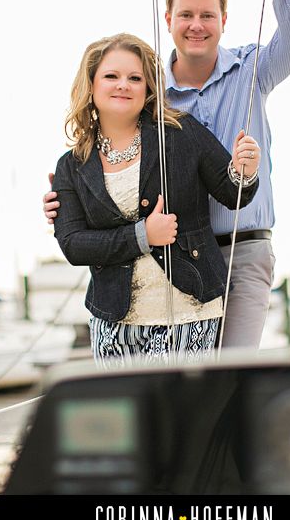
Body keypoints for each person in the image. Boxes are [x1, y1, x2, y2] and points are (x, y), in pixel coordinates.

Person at [45, 0, 290, 349]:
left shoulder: (253, 71)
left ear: (224, 19)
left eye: (208, 14)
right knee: (188, 388)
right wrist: (70, 201)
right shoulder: (147, 93)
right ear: (168, 19)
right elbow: (109, 168)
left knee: (232, 374)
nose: (197, 24)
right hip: (172, 257)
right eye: (186, 14)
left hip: (243, 250)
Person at [51, 33, 261, 367]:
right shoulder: (71, 166)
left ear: (149, 89)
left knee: (177, 418)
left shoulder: (182, 132)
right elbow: (74, 244)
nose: (124, 85)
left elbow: (233, 193)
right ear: (91, 86)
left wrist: (244, 171)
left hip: (189, 311)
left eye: (135, 78)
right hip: (112, 321)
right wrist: (143, 236)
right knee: (126, 419)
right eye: (111, 76)